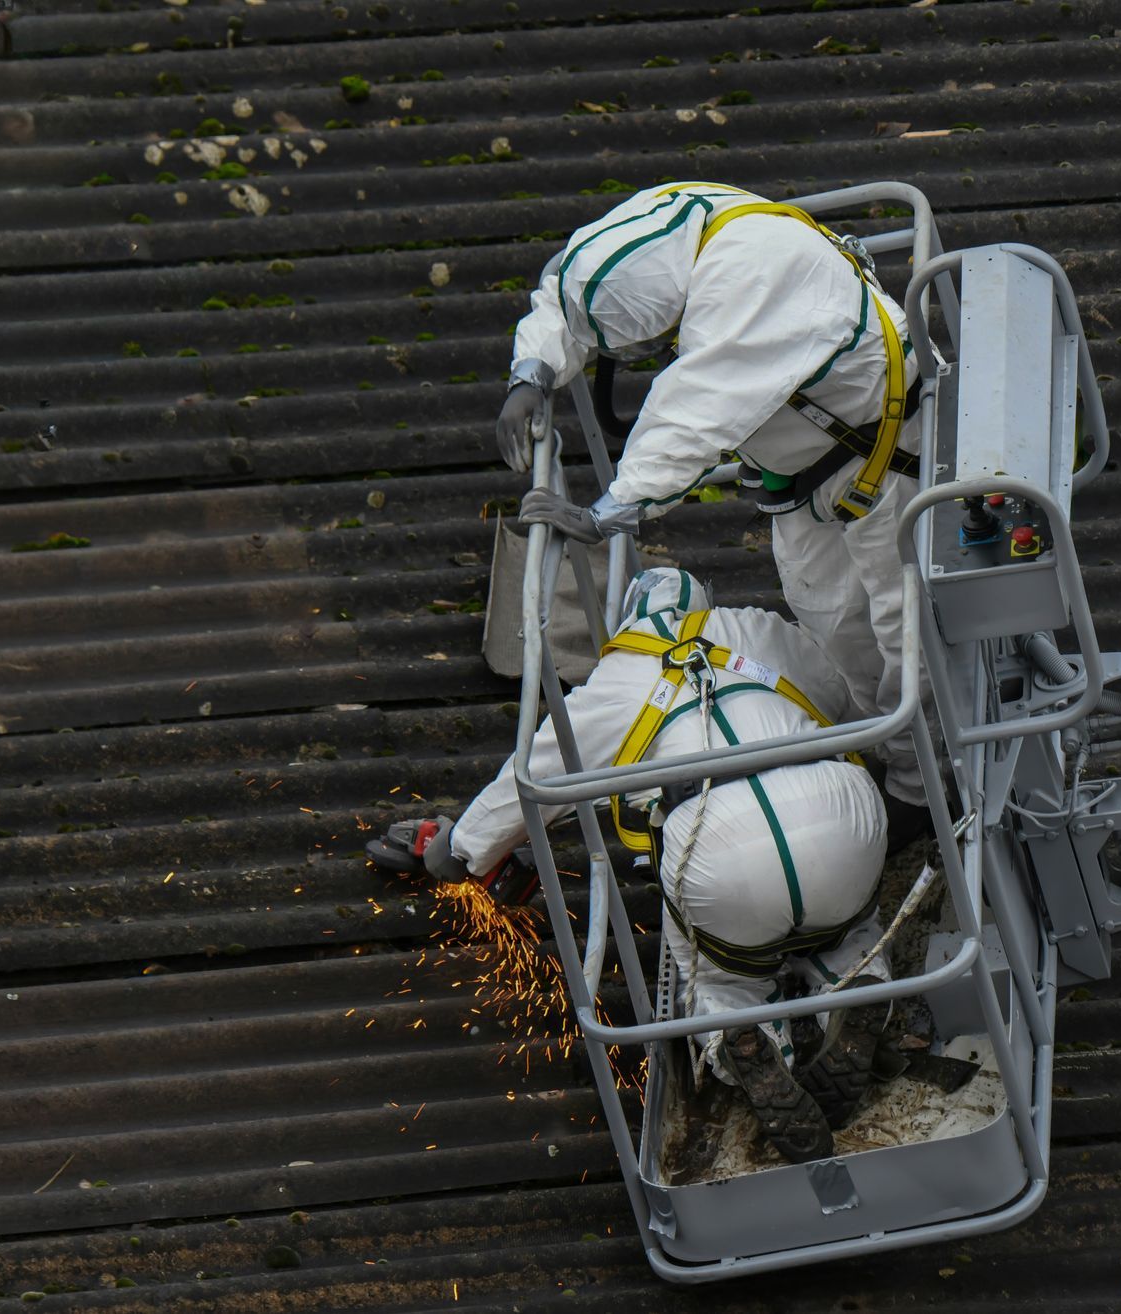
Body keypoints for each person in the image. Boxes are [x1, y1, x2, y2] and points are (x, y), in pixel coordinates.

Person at [368, 568, 890, 1162]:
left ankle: (741, 1036)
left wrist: (459, 851)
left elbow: (530, 783)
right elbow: (843, 697)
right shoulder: (754, 627)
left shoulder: (609, 685)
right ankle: (861, 986)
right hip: (835, 804)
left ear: (628, 623)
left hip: (719, 843)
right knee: (854, 929)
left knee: (723, 977)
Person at [491, 180, 930, 851]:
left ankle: (920, 793)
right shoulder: (672, 228)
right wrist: (532, 372)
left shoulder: (752, 280)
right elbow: (568, 290)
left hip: (890, 462)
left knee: (906, 637)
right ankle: (889, 756)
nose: (655, 352)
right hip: (816, 472)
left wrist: (611, 509)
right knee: (837, 627)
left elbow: (693, 407)